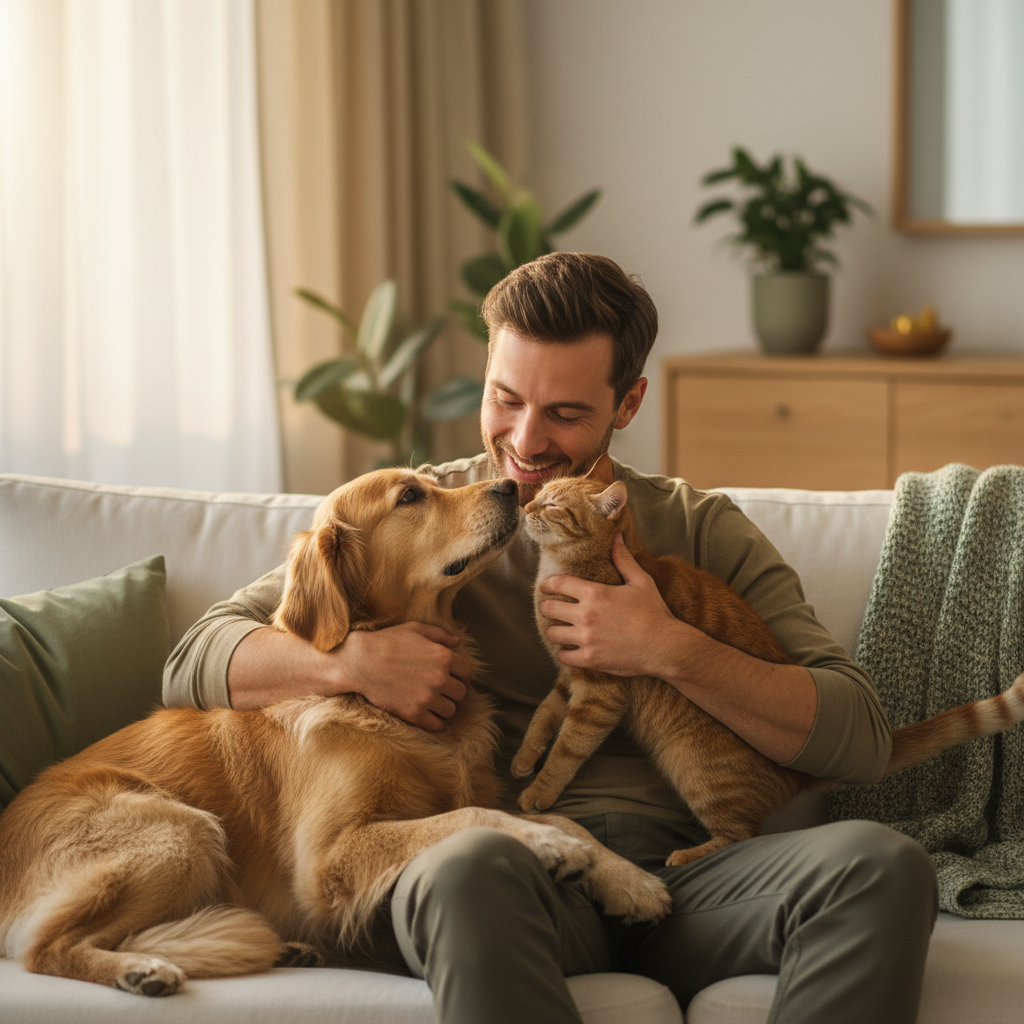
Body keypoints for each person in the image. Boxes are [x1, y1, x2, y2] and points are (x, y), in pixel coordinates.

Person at [165, 252, 938, 1024]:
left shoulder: (702, 528)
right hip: (519, 879)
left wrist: (668, 647)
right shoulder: (436, 519)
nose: (525, 442)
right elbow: (195, 657)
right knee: (468, 864)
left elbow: (858, 737)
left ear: (628, 402)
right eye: (506, 400)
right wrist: (358, 663)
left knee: (882, 865)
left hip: (699, 877)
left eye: (564, 414)